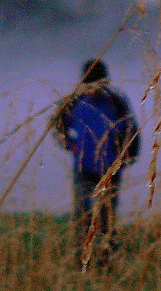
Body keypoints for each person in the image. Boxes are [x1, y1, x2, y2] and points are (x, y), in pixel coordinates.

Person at [51, 59, 140, 269]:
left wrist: (127, 156)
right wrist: (70, 145)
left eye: (96, 84)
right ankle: (81, 261)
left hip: (110, 170)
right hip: (83, 168)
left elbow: (132, 131)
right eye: (88, 84)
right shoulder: (74, 102)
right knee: (82, 217)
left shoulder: (116, 102)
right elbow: (57, 125)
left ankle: (106, 262)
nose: (92, 89)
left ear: (104, 82)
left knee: (107, 219)